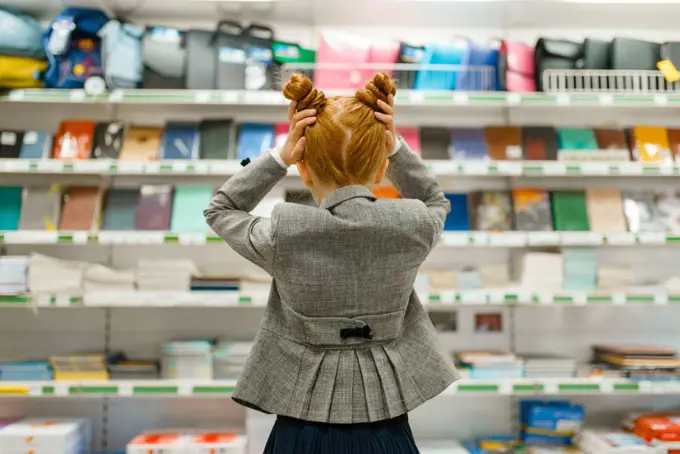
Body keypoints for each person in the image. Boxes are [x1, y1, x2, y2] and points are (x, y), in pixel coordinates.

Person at [204, 72, 459, 453]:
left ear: (303, 169)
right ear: (379, 170)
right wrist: (396, 149)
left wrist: (280, 156)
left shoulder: (285, 231)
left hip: (301, 423)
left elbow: (222, 208)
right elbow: (436, 200)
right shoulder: (412, 224)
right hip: (386, 422)